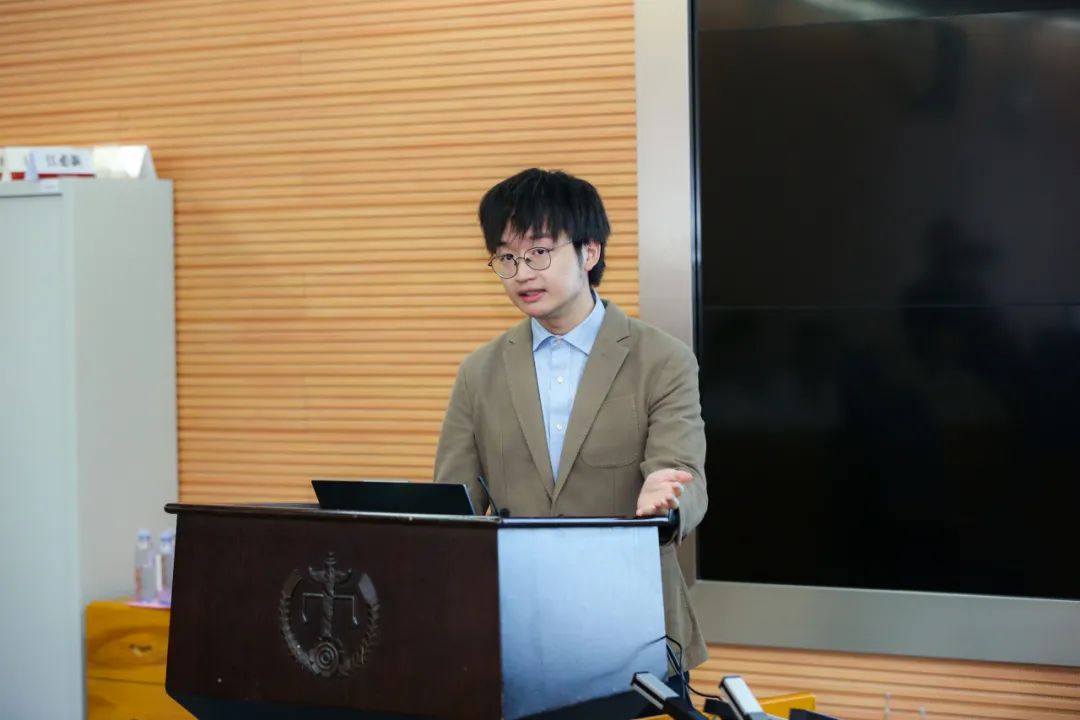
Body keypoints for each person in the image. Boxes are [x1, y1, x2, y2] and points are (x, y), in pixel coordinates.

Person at [434, 168, 709, 669]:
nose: (522, 273)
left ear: (589, 252)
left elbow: (685, 478)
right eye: (506, 257)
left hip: (634, 621)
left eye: (539, 252)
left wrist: (666, 504)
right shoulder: (479, 372)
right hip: (518, 625)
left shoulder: (662, 360)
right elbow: (455, 504)